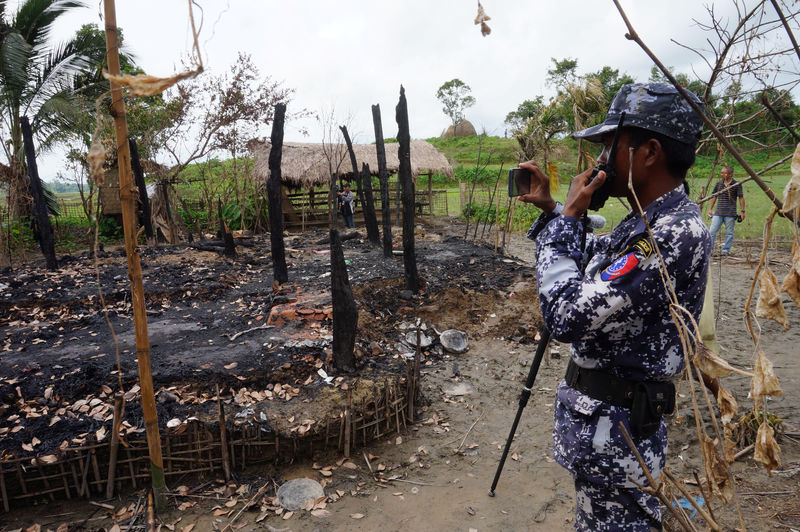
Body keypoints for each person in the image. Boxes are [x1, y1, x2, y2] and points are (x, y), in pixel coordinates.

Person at [519, 83, 711, 531]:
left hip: (619, 437)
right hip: (605, 434)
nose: (601, 159)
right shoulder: (648, 220)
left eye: (610, 144)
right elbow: (596, 267)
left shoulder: (671, 233)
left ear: (649, 152)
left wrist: (567, 220)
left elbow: (564, 314)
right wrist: (554, 211)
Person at [706, 165, 745, 255]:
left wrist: (742, 211)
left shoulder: (736, 184)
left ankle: (725, 250)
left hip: (730, 213)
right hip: (718, 212)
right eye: (721, 172)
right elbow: (714, 196)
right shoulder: (719, 184)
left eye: (724, 173)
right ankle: (710, 250)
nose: (722, 174)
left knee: (729, 233)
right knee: (711, 231)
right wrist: (710, 209)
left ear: (730, 174)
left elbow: (741, 198)